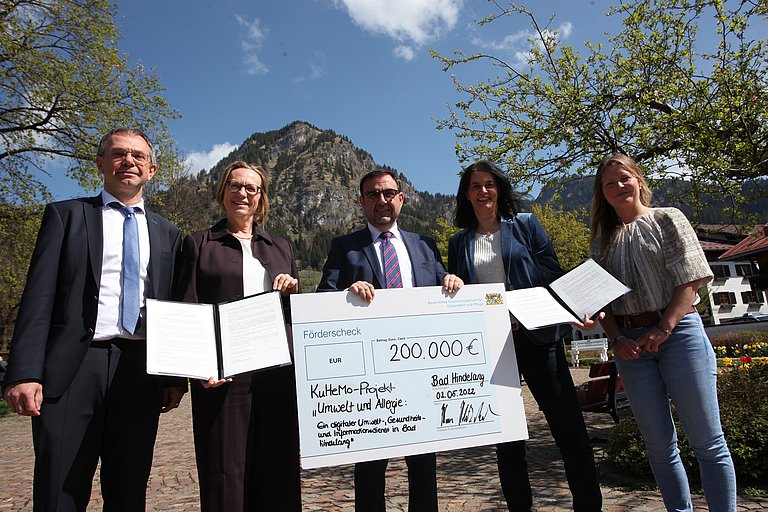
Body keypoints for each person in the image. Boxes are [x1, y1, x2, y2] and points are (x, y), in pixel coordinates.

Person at [2, 128, 185, 511]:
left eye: (138, 156)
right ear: (101, 163)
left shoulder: (169, 234)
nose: (129, 161)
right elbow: (38, 296)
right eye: (119, 153)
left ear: (152, 169)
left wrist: (173, 378)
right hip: (72, 369)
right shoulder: (66, 215)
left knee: (129, 489)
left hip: (140, 371)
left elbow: (173, 307)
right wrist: (23, 372)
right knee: (59, 490)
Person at [447, 160, 602, 512]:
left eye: (489, 184)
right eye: (475, 186)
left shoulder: (526, 225)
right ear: (466, 195)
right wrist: (451, 282)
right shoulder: (459, 243)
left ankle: (590, 506)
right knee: (508, 439)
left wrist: (575, 311)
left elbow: (552, 274)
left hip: (538, 338)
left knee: (569, 431)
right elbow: (457, 288)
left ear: (499, 189)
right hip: (492, 346)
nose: (483, 191)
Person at [587, 153, 736, 512]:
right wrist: (616, 338)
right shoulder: (602, 240)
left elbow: (691, 279)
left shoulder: (667, 218)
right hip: (630, 348)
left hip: (679, 333)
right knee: (659, 447)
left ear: (638, 179)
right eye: (610, 183)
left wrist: (664, 326)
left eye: (624, 178)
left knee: (707, 441)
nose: (619, 186)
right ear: (602, 194)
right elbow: (600, 302)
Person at [317, 169, 463, 512]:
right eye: (372, 195)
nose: (381, 201)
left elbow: (441, 279)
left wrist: (452, 279)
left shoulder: (425, 244)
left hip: (420, 369)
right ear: (361, 202)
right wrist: (346, 292)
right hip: (371, 379)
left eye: (388, 193)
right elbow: (324, 294)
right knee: (370, 465)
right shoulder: (344, 247)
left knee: (423, 464)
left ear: (400, 198)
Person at [172, 160, 302, 512]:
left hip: (277, 370)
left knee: (279, 463)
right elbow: (188, 307)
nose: (242, 193)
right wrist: (199, 367)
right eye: (235, 185)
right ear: (222, 193)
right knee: (224, 468)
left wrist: (292, 290)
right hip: (223, 372)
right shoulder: (199, 243)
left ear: (261, 199)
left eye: (251, 188)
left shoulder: (280, 247)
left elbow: (294, 313)